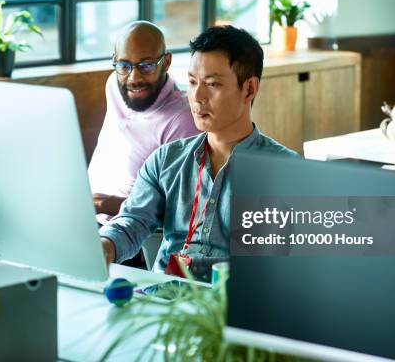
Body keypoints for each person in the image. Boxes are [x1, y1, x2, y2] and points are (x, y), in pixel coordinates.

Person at [99, 25, 298, 281]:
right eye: (192, 82)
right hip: (164, 299)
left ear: (249, 89)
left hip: (233, 307)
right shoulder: (165, 160)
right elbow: (133, 221)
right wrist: (105, 245)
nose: (197, 97)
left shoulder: (286, 171)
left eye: (212, 84)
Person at [88, 21, 199, 221]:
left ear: (166, 62)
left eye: (146, 66)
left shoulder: (182, 118)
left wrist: (104, 204)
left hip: (124, 236)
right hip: (85, 215)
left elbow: (181, 209)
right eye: (124, 65)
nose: (133, 78)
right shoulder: (114, 84)